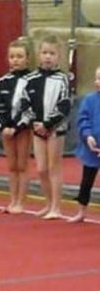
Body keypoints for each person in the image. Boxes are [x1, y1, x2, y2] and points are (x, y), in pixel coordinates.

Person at [17, 34, 71, 220]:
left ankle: (56, 206)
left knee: (53, 167)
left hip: (55, 128)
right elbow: (25, 102)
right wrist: (34, 122)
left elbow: (64, 104)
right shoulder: (31, 79)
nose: (48, 57)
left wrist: (48, 123)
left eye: (52, 53)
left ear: (59, 56)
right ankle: (48, 203)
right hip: (37, 128)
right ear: (38, 54)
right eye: (45, 53)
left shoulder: (62, 78)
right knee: (41, 169)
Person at [0, 38, 32, 214]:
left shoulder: (32, 81)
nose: (15, 60)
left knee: (22, 165)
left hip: (22, 128)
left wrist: (17, 127)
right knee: (11, 166)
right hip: (6, 129)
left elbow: (29, 108)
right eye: (12, 56)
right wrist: (3, 127)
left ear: (27, 59)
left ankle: (20, 201)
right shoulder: (1, 82)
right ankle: (12, 199)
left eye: (19, 56)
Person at [66, 66, 100, 223]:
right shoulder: (89, 100)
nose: (97, 82)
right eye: (96, 78)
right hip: (91, 149)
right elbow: (83, 120)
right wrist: (87, 136)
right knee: (86, 182)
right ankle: (81, 210)